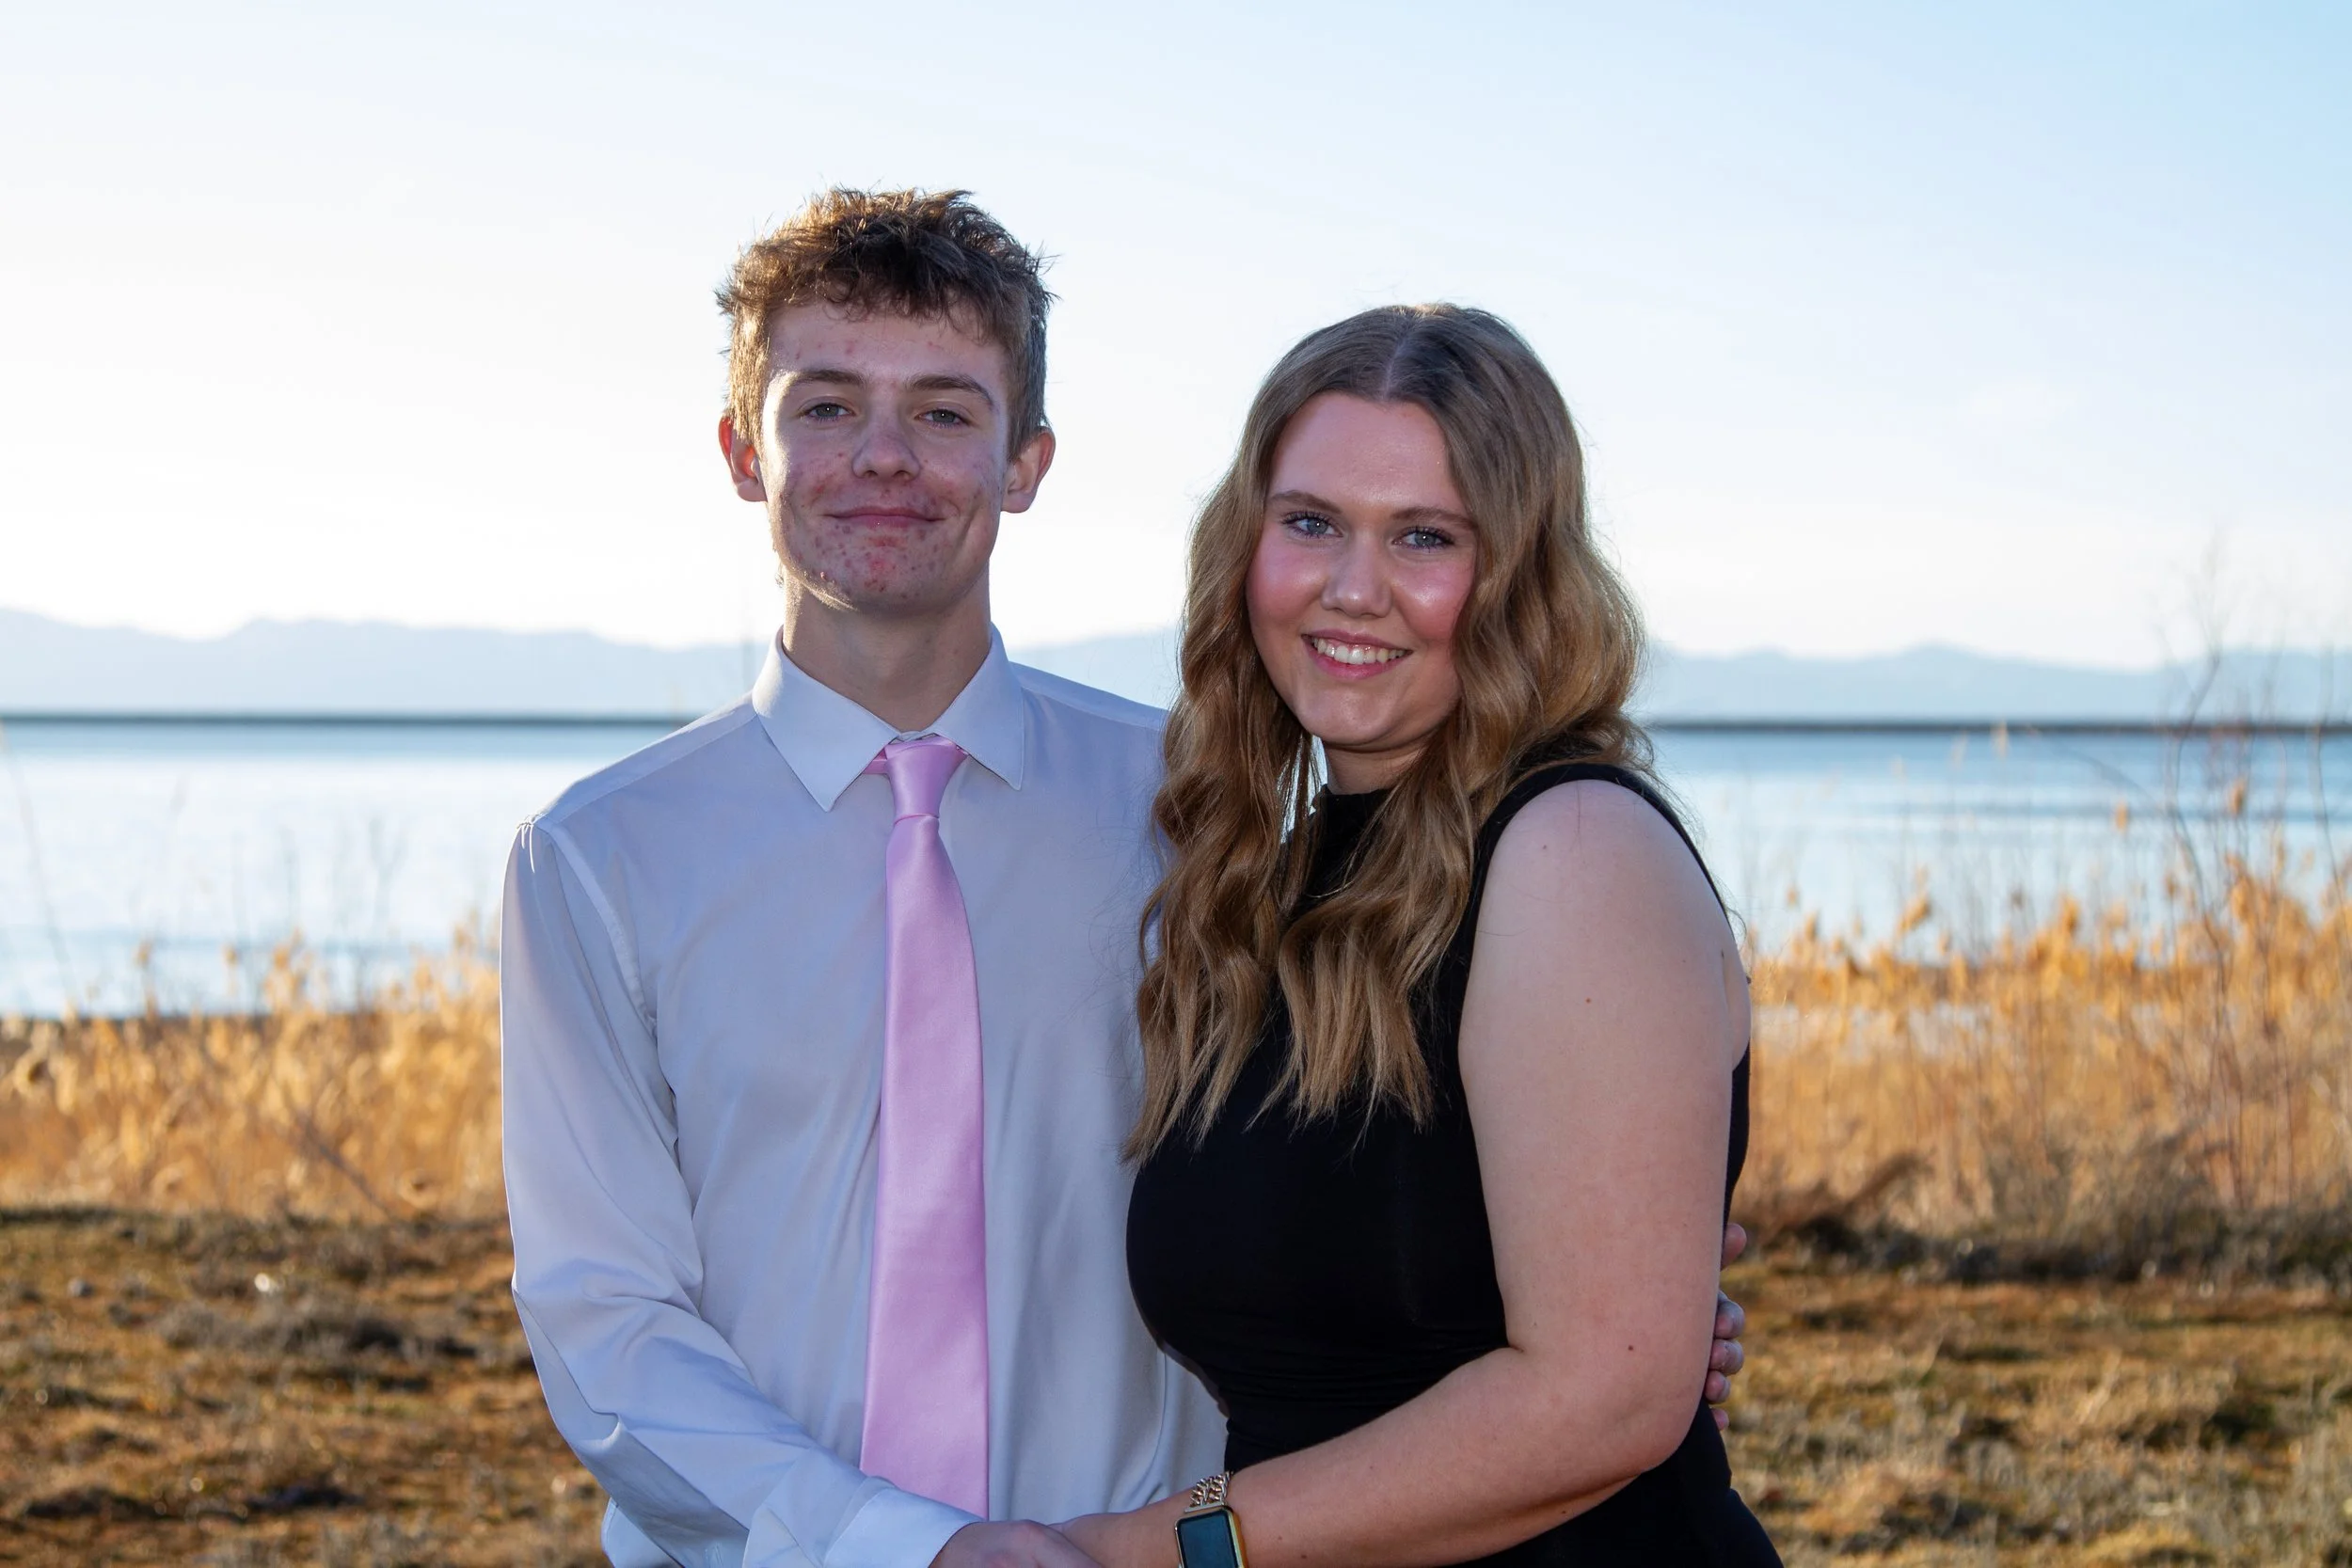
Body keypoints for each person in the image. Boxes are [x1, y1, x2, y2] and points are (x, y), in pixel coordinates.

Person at [500, 190, 1752, 1568]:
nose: (883, 457)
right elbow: (608, 1326)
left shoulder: (1191, 813)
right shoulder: (597, 860)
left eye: (945, 411)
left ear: (1026, 460)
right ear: (745, 449)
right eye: (826, 405)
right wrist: (899, 1546)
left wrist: (1610, 1307)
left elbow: (1525, 1287)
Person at [1068, 306, 1779, 1565]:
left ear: (1519, 571)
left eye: (1424, 538)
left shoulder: (1569, 851)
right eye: (1310, 522)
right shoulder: (1282, 875)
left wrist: (1146, 1547)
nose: (1353, 587)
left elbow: (1602, 1398)